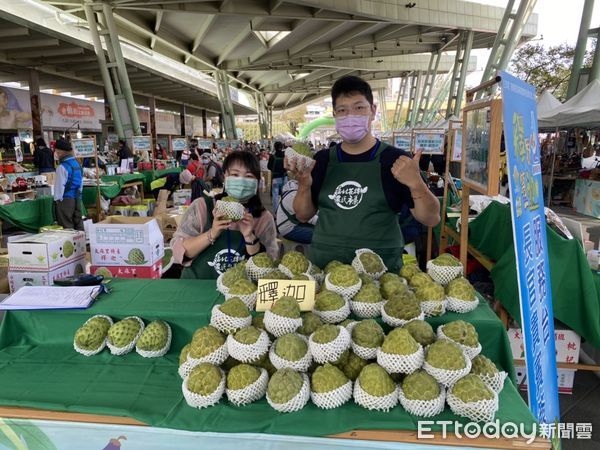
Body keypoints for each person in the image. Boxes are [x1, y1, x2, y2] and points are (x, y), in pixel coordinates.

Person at [289, 75, 440, 272]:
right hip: (326, 268)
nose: (350, 115)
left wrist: (416, 183)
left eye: (359, 108)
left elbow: (431, 218)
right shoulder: (322, 160)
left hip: (380, 270)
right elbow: (302, 215)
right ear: (335, 114)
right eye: (342, 110)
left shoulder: (397, 160)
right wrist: (304, 185)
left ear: (373, 111)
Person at [172, 151, 278, 279]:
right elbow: (179, 253)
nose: (241, 180)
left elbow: (268, 267)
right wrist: (212, 233)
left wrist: (250, 237)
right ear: (225, 176)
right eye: (235, 174)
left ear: (257, 182)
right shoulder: (202, 207)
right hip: (197, 287)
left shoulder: (264, 218)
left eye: (249, 176)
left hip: (240, 292)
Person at [53, 139, 84, 230]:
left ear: (60, 152)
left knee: (66, 225)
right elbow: (81, 183)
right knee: (78, 223)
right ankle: (80, 243)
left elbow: (59, 187)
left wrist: (57, 201)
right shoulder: (77, 164)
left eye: (56, 151)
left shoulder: (62, 167)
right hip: (77, 198)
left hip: (65, 200)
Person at [276, 179, 317, 244]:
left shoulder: (296, 191)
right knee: (320, 236)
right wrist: (327, 224)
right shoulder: (293, 196)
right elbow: (308, 217)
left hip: (296, 223)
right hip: (288, 229)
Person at [268, 141, 286, 212]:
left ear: (274, 147)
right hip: (284, 177)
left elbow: (269, 166)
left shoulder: (272, 156)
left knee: (275, 195)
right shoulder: (285, 155)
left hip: (275, 178)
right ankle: (284, 211)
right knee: (284, 195)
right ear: (282, 147)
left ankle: (276, 212)